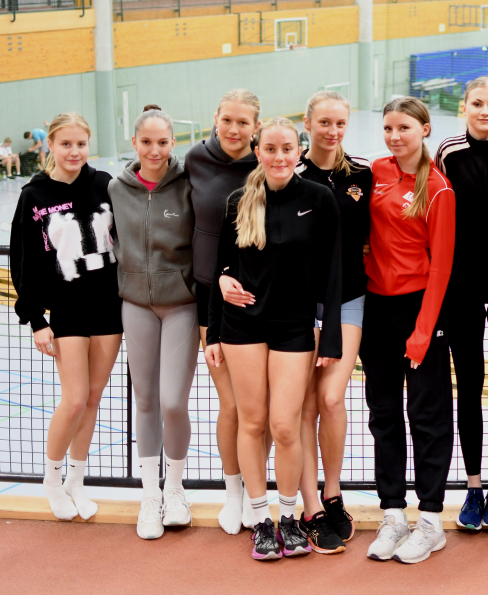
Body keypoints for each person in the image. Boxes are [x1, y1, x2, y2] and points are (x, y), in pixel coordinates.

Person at [205, 116, 343, 561]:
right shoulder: (238, 201)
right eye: (270, 149)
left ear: (299, 151)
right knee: (252, 422)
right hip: (241, 325)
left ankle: (289, 517)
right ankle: (261, 521)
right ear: (257, 151)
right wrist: (216, 315)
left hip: (294, 327)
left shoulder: (319, 199)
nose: (279, 157)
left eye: (287, 149)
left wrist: (333, 336)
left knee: (285, 426)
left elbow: (333, 272)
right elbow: (220, 270)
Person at [10, 113, 122, 522]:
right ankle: (52, 480)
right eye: (66, 144)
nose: (74, 152)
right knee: (74, 399)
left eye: (80, 144)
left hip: (110, 308)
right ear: (51, 147)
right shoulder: (34, 195)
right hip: (68, 311)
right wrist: (37, 320)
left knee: (93, 398)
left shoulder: (105, 184)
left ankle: (77, 480)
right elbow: (25, 261)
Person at [362, 97, 456, 564]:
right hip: (376, 311)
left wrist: (423, 331)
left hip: (420, 310)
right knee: (383, 415)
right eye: (387, 128)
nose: (395, 136)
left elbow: (441, 268)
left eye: (403, 128)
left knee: (428, 418)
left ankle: (432, 520)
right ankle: (394, 512)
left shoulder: (438, 188)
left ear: (423, 129)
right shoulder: (375, 172)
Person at [108, 105, 199, 540]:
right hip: (136, 305)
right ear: (134, 143)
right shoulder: (116, 188)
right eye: (147, 142)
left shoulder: (188, 185)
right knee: (144, 399)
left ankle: (176, 490)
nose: (155, 149)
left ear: (173, 142)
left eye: (163, 142)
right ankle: (149, 497)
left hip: (181, 304)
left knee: (172, 402)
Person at [435, 76, 488, 531]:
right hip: (461, 289)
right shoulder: (449, 151)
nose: (485, 111)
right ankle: (471, 486)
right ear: (463, 106)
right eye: (477, 104)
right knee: (468, 386)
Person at [295, 90, 372, 554]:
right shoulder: (286, 172)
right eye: (324, 122)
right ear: (307, 123)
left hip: (348, 299)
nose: (332, 131)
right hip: (300, 306)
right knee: (303, 406)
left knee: (331, 397)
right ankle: (310, 505)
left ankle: (333, 492)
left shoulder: (361, 173)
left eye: (340, 123)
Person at [184, 89, 263, 535]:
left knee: (261, 408)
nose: (234, 129)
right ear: (215, 119)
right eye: (227, 120)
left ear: (256, 125)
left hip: (261, 297)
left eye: (243, 122)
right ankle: (234, 495)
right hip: (211, 297)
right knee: (232, 403)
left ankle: (259, 494)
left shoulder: (266, 161)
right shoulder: (195, 158)